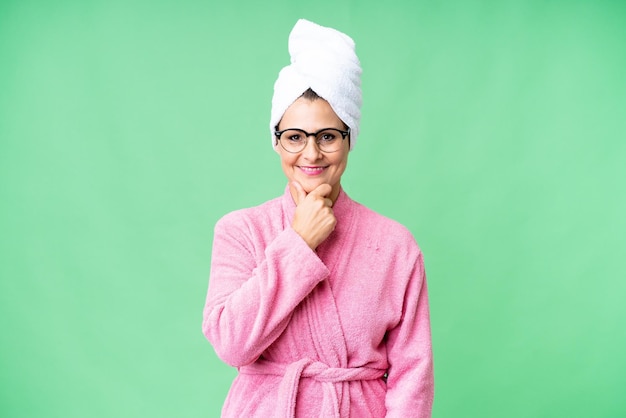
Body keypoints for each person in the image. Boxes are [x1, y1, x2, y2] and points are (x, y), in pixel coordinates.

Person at [202, 19, 434, 417]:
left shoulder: (396, 244)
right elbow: (231, 344)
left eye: (327, 135)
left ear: (350, 138)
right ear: (276, 142)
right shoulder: (240, 232)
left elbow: (413, 373)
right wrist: (297, 244)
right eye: (295, 136)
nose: (311, 154)